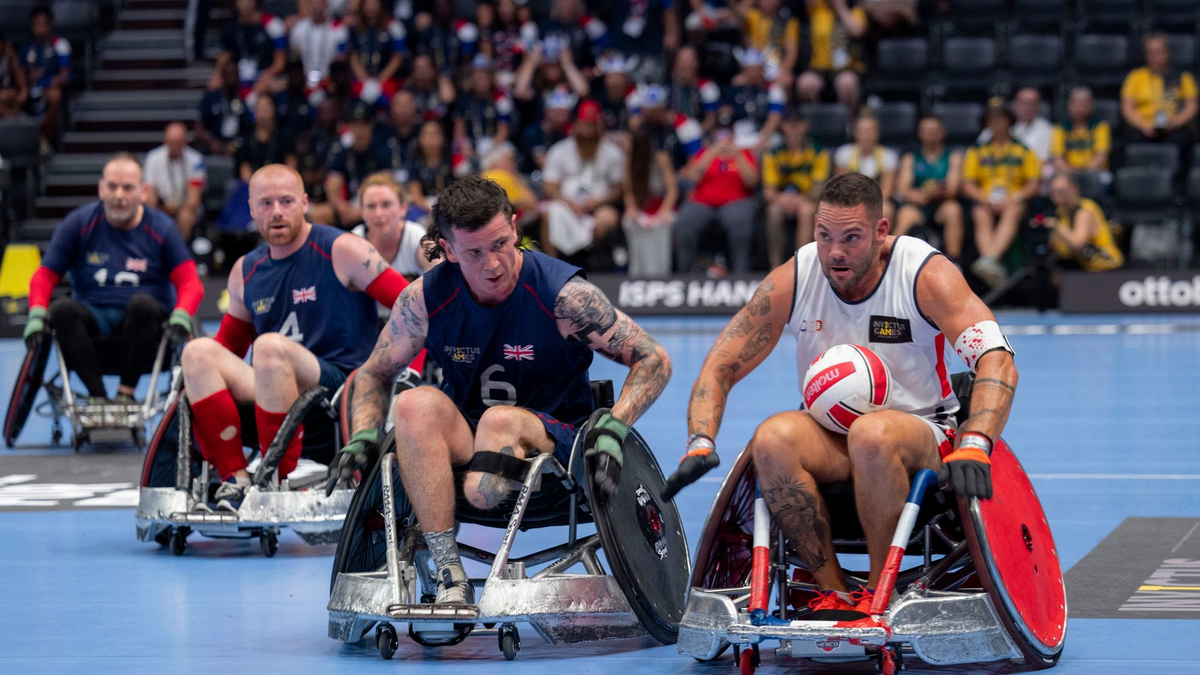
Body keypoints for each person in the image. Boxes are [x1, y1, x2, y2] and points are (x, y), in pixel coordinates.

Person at [662, 172, 1017, 622]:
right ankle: (830, 592)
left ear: (881, 231)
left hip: (922, 432)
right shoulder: (794, 278)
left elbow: (997, 359)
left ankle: (876, 590)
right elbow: (721, 364)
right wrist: (701, 440)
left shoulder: (925, 273)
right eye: (824, 235)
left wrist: (978, 441)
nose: (835, 252)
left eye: (851, 238)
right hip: (831, 436)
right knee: (770, 437)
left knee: (871, 433)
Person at [331, 174, 673, 607]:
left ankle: (484, 484)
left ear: (514, 227)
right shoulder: (422, 300)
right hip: (472, 438)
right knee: (414, 403)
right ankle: (450, 572)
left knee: (498, 428)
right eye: (474, 252)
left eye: (499, 244)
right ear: (449, 250)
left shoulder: (563, 296)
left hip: (556, 445)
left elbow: (653, 358)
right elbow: (374, 374)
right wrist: (363, 433)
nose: (493, 264)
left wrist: (615, 426)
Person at [178, 164, 411, 511]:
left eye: (286, 201)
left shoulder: (343, 249)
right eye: (266, 203)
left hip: (339, 392)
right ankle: (234, 480)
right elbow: (226, 350)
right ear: (252, 208)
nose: (277, 212)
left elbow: (413, 305)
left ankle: (276, 479)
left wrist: (403, 363)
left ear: (304, 203)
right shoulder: (246, 269)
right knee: (197, 352)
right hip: (273, 387)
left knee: (269, 347)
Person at [22, 154, 203, 403]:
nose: (119, 195)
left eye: (128, 188)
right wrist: (36, 314)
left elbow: (190, 281)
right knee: (61, 309)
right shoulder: (78, 223)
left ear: (143, 191)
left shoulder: (162, 228)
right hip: (92, 319)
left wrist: (182, 314)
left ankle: (125, 395)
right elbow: (43, 277)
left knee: (143, 304)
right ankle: (99, 398)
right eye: (112, 186)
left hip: (145, 326)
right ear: (101, 189)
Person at [962, 103, 1041, 289]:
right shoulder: (977, 151)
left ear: (1009, 122)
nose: (995, 124)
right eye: (991, 120)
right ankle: (990, 264)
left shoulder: (1023, 150)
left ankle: (988, 260)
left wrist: (1016, 197)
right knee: (979, 213)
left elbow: (1033, 183)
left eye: (1000, 119)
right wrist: (985, 199)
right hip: (986, 200)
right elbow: (968, 184)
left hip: (1014, 200)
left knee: (1013, 210)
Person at [541, 100, 625, 262]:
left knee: (608, 218)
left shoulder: (612, 152)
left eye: (593, 125)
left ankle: (593, 263)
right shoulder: (560, 150)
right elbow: (549, 187)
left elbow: (619, 189)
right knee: (548, 213)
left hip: (598, 206)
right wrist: (570, 203)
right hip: (567, 205)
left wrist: (600, 201)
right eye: (585, 124)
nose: (589, 130)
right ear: (576, 124)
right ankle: (551, 266)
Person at [674, 126, 761, 273]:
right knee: (686, 221)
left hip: (736, 201)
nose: (724, 140)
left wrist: (737, 155)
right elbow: (693, 177)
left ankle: (741, 274)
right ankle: (683, 274)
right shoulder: (703, 153)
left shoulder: (745, 153)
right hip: (702, 202)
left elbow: (752, 181)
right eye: (720, 134)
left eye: (727, 135)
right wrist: (711, 153)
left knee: (739, 223)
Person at [763, 110, 830, 268]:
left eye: (797, 124)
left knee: (806, 211)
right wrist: (783, 199)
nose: (794, 129)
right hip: (781, 199)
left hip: (807, 199)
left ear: (805, 126)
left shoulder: (819, 152)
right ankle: (775, 265)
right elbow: (768, 192)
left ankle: (802, 265)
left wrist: (799, 200)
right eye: (789, 125)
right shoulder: (773, 154)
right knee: (773, 211)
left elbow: (818, 190)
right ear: (783, 127)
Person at [894, 115, 964, 259]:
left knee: (953, 210)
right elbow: (903, 189)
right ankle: (890, 259)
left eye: (934, 130)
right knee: (905, 214)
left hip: (942, 204)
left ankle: (954, 261)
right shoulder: (911, 157)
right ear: (919, 133)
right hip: (918, 206)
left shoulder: (953, 157)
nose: (929, 133)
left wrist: (926, 194)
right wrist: (924, 194)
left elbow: (952, 189)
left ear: (943, 132)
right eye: (925, 130)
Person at [1121, 32, 1198, 160]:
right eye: (1151, 52)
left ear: (1167, 52)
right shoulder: (1135, 77)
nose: (1155, 56)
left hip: (1173, 126)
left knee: (1184, 139)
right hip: (1144, 126)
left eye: (1158, 51)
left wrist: (1174, 123)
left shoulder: (1183, 77)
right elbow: (1127, 107)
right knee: (1130, 139)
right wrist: (1143, 124)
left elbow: (1191, 106)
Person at [351, 172, 437, 276]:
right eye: (371, 206)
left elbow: (439, 270)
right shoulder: (354, 241)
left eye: (386, 204)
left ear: (403, 208)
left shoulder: (415, 236)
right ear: (362, 212)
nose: (378, 214)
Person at [795, 0, 868, 119]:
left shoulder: (855, 10)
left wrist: (840, 7)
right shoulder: (817, 8)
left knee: (846, 83)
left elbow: (857, 31)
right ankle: (817, 122)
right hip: (820, 68)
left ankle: (847, 122)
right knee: (805, 84)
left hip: (847, 68)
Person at [622, 128, 680, 276]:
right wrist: (632, 209)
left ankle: (661, 273)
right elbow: (628, 190)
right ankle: (637, 272)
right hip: (642, 207)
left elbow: (672, 190)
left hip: (661, 207)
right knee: (630, 222)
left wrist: (663, 212)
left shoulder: (661, 159)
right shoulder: (629, 161)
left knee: (661, 226)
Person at [1041, 172, 1123, 272]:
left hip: (1106, 268)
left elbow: (1077, 245)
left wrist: (1057, 226)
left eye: (1062, 191)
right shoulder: (1061, 213)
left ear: (1075, 188)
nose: (1058, 196)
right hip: (1082, 270)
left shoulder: (1085, 211)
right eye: (1054, 192)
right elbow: (1058, 248)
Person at [143, 122, 208, 240]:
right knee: (152, 216)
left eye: (178, 143)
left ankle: (180, 252)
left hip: (185, 207)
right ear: (165, 141)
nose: (174, 146)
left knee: (186, 217)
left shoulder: (196, 160)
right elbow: (149, 196)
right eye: (171, 143)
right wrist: (162, 209)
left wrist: (177, 208)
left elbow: (194, 198)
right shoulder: (153, 158)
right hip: (161, 206)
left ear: (185, 142)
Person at [213, 0, 288, 95]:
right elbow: (224, 56)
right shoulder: (231, 28)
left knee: (278, 85)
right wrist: (217, 75)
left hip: (265, 76)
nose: (245, 4)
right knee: (216, 89)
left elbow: (280, 62)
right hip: (240, 78)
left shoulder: (272, 24)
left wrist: (267, 76)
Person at [21, 5, 71, 142]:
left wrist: (47, 82)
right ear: (31, 25)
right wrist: (28, 79)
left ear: (50, 24)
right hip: (30, 90)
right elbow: (21, 75)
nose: (40, 27)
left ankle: (45, 139)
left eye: (44, 23)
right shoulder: (26, 49)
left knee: (55, 95)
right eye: (37, 23)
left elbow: (65, 75)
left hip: (49, 89)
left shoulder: (60, 45)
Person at [833, 114, 897, 220]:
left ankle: (880, 237)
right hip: (850, 198)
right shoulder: (843, 154)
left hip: (877, 200)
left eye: (870, 130)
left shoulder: (888, 156)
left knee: (886, 209)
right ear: (855, 133)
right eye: (862, 130)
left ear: (877, 133)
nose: (866, 134)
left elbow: (887, 190)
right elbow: (841, 186)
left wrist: (868, 203)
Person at [979, 88, 1052, 163]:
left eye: (1032, 103)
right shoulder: (995, 126)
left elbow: (1044, 160)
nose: (1027, 108)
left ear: (1039, 106)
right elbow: (980, 155)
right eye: (1024, 103)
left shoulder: (1047, 129)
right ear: (1015, 103)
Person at [1051, 87, 1112, 177]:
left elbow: (1101, 156)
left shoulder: (1100, 126)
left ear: (1091, 106)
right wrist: (1071, 172)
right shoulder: (1060, 128)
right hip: (1068, 173)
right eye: (1076, 103)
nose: (1080, 108)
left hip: (1095, 172)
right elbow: (1057, 158)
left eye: (1084, 103)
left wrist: (1084, 172)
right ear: (1069, 105)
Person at [0, 29, 29, 119]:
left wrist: (24, 90)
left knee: (12, 94)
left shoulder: (9, 51)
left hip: (7, 94)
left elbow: (19, 73)